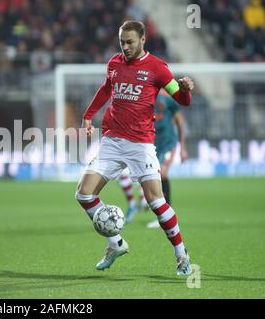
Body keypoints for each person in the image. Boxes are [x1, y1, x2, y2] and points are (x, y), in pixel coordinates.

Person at [75, 21, 194, 275]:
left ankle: (181, 254)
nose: (125, 47)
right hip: (112, 140)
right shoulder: (115, 64)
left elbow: (181, 100)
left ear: (142, 40)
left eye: (130, 42)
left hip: (141, 144)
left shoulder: (158, 68)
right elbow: (106, 89)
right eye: (122, 43)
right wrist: (88, 115)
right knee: (84, 194)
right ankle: (115, 243)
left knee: (156, 201)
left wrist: (185, 90)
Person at [121, 90, 189, 226]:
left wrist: (182, 147)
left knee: (162, 173)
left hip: (168, 143)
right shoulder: (141, 96)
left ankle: (166, 216)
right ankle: (158, 210)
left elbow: (180, 122)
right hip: (151, 145)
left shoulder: (166, 98)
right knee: (151, 175)